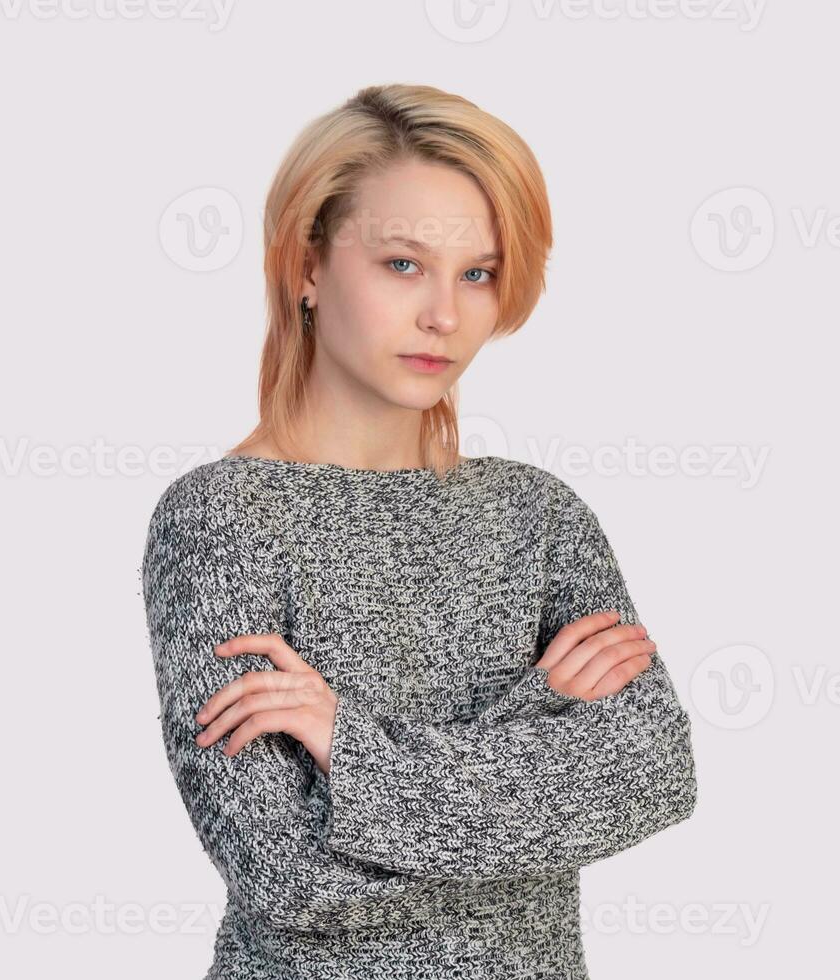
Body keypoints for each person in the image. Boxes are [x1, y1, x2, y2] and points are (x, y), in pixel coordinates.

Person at [139, 82, 698, 979]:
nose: (445, 314)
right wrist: (543, 734)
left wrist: (351, 753)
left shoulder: (539, 517)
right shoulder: (220, 519)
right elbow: (287, 880)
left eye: (477, 273)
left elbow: (652, 775)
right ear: (307, 264)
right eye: (403, 264)